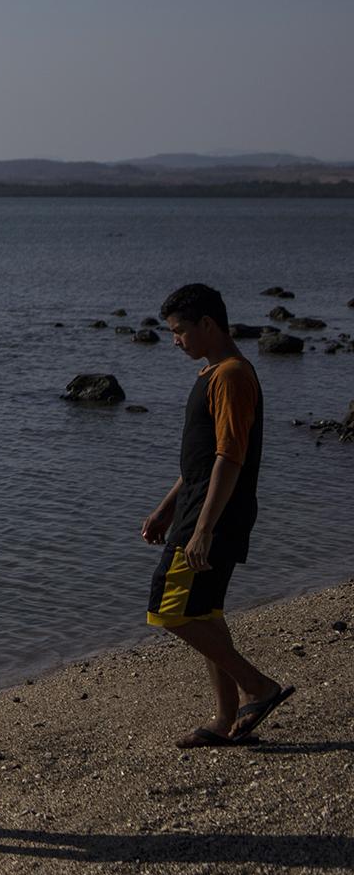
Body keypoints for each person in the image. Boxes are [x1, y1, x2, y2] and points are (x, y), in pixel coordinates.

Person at [142, 282, 293, 748]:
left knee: (166, 611)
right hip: (199, 512)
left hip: (212, 518)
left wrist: (202, 528)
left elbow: (230, 456)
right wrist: (167, 507)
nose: (175, 340)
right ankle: (226, 720)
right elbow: (202, 462)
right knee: (203, 612)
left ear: (208, 324)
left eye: (180, 330)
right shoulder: (214, 375)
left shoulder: (230, 376)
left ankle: (259, 687)